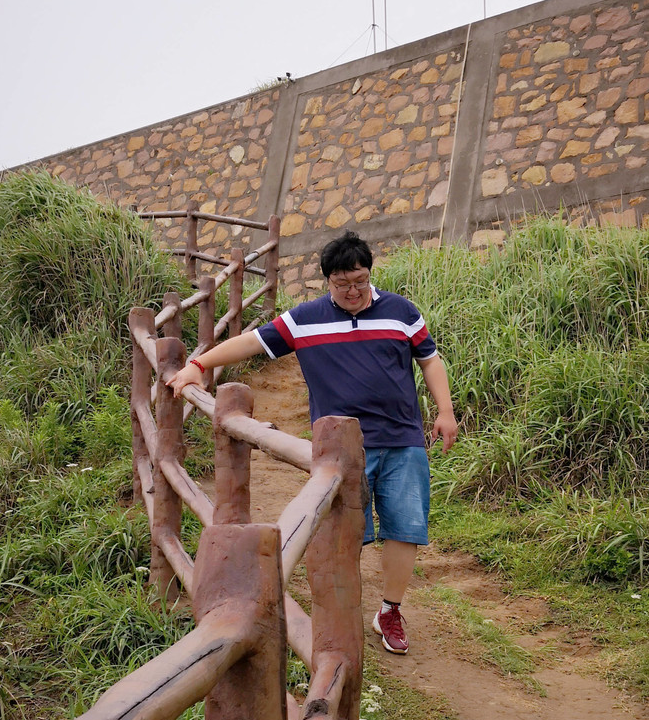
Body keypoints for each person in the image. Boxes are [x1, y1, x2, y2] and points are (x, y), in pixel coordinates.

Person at [168, 230, 458, 653]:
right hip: (342, 447)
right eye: (343, 284)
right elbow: (252, 342)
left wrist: (445, 412)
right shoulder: (305, 319)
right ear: (327, 281)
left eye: (360, 281)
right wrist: (199, 363)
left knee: (405, 530)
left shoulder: (401, 311)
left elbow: (430, 359)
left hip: (403, 438)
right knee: (345, 534)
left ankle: (390, 610)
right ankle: (341, 613)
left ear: (369, 273)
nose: (353, 291)